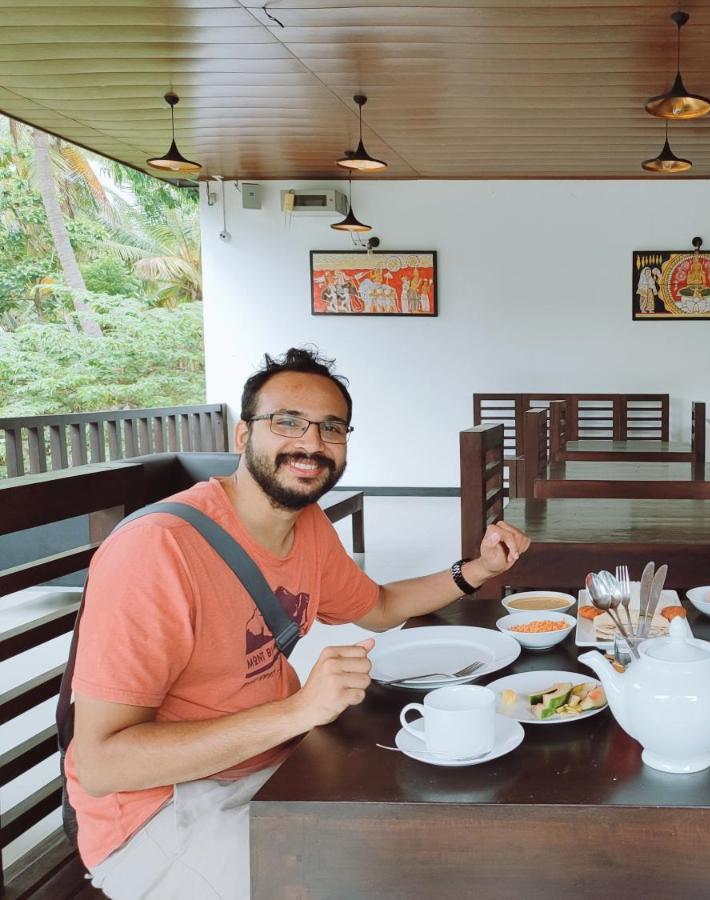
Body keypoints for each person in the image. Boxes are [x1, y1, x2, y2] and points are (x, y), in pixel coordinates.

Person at [67, 347, 530, 899]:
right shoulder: (156, 551)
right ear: (242, 436)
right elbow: (101, 765)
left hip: (277, 763)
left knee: (451, 835)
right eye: (287, 421)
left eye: (331, 428)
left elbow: (377, 607)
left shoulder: (306, 525)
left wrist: (477, 570)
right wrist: (300, 709)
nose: (311, 443)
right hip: (163, 811)